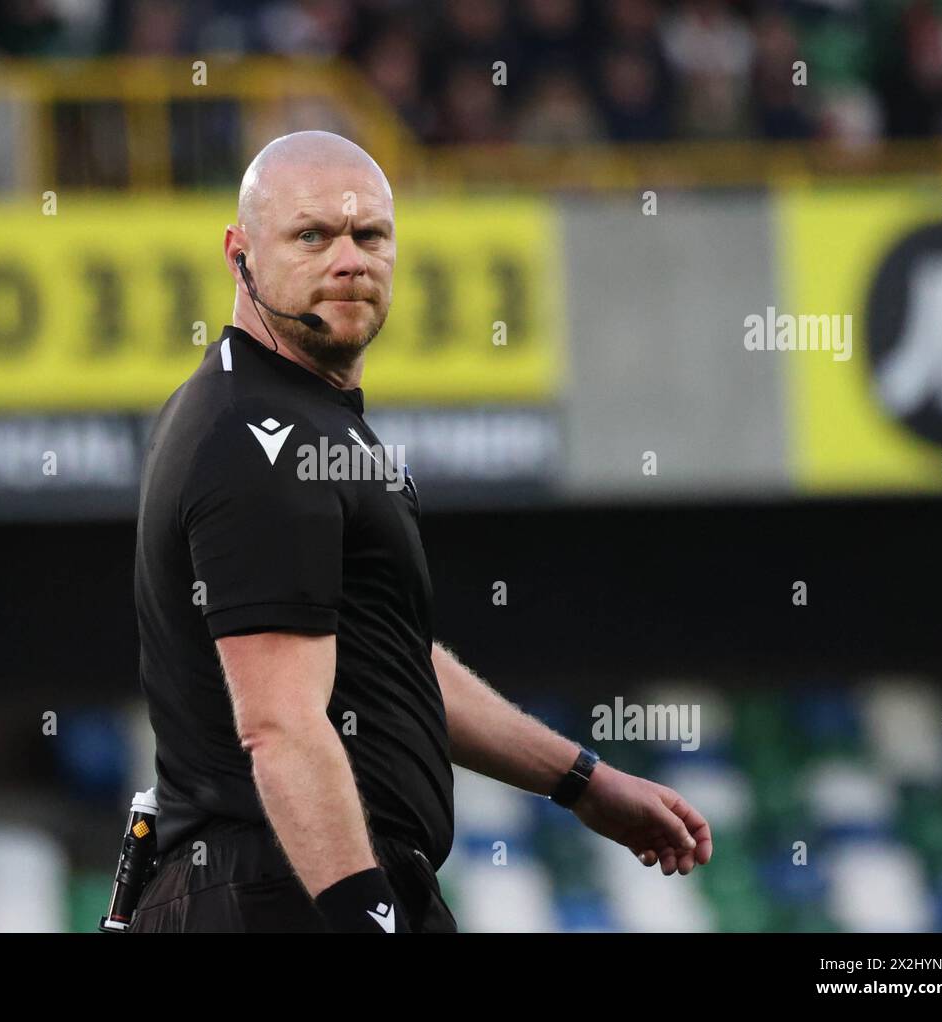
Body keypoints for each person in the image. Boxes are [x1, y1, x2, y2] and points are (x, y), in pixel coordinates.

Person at [131, 130, 712, 933]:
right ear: (240, 254)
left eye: (369, 235)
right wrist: (366, 915)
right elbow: (280, 724)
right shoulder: (258, 432)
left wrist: (581, 780)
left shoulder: (306, 424)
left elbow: (392, 663)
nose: (349, 259)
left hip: (309, 881)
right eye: (312, 235)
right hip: (284, 885)